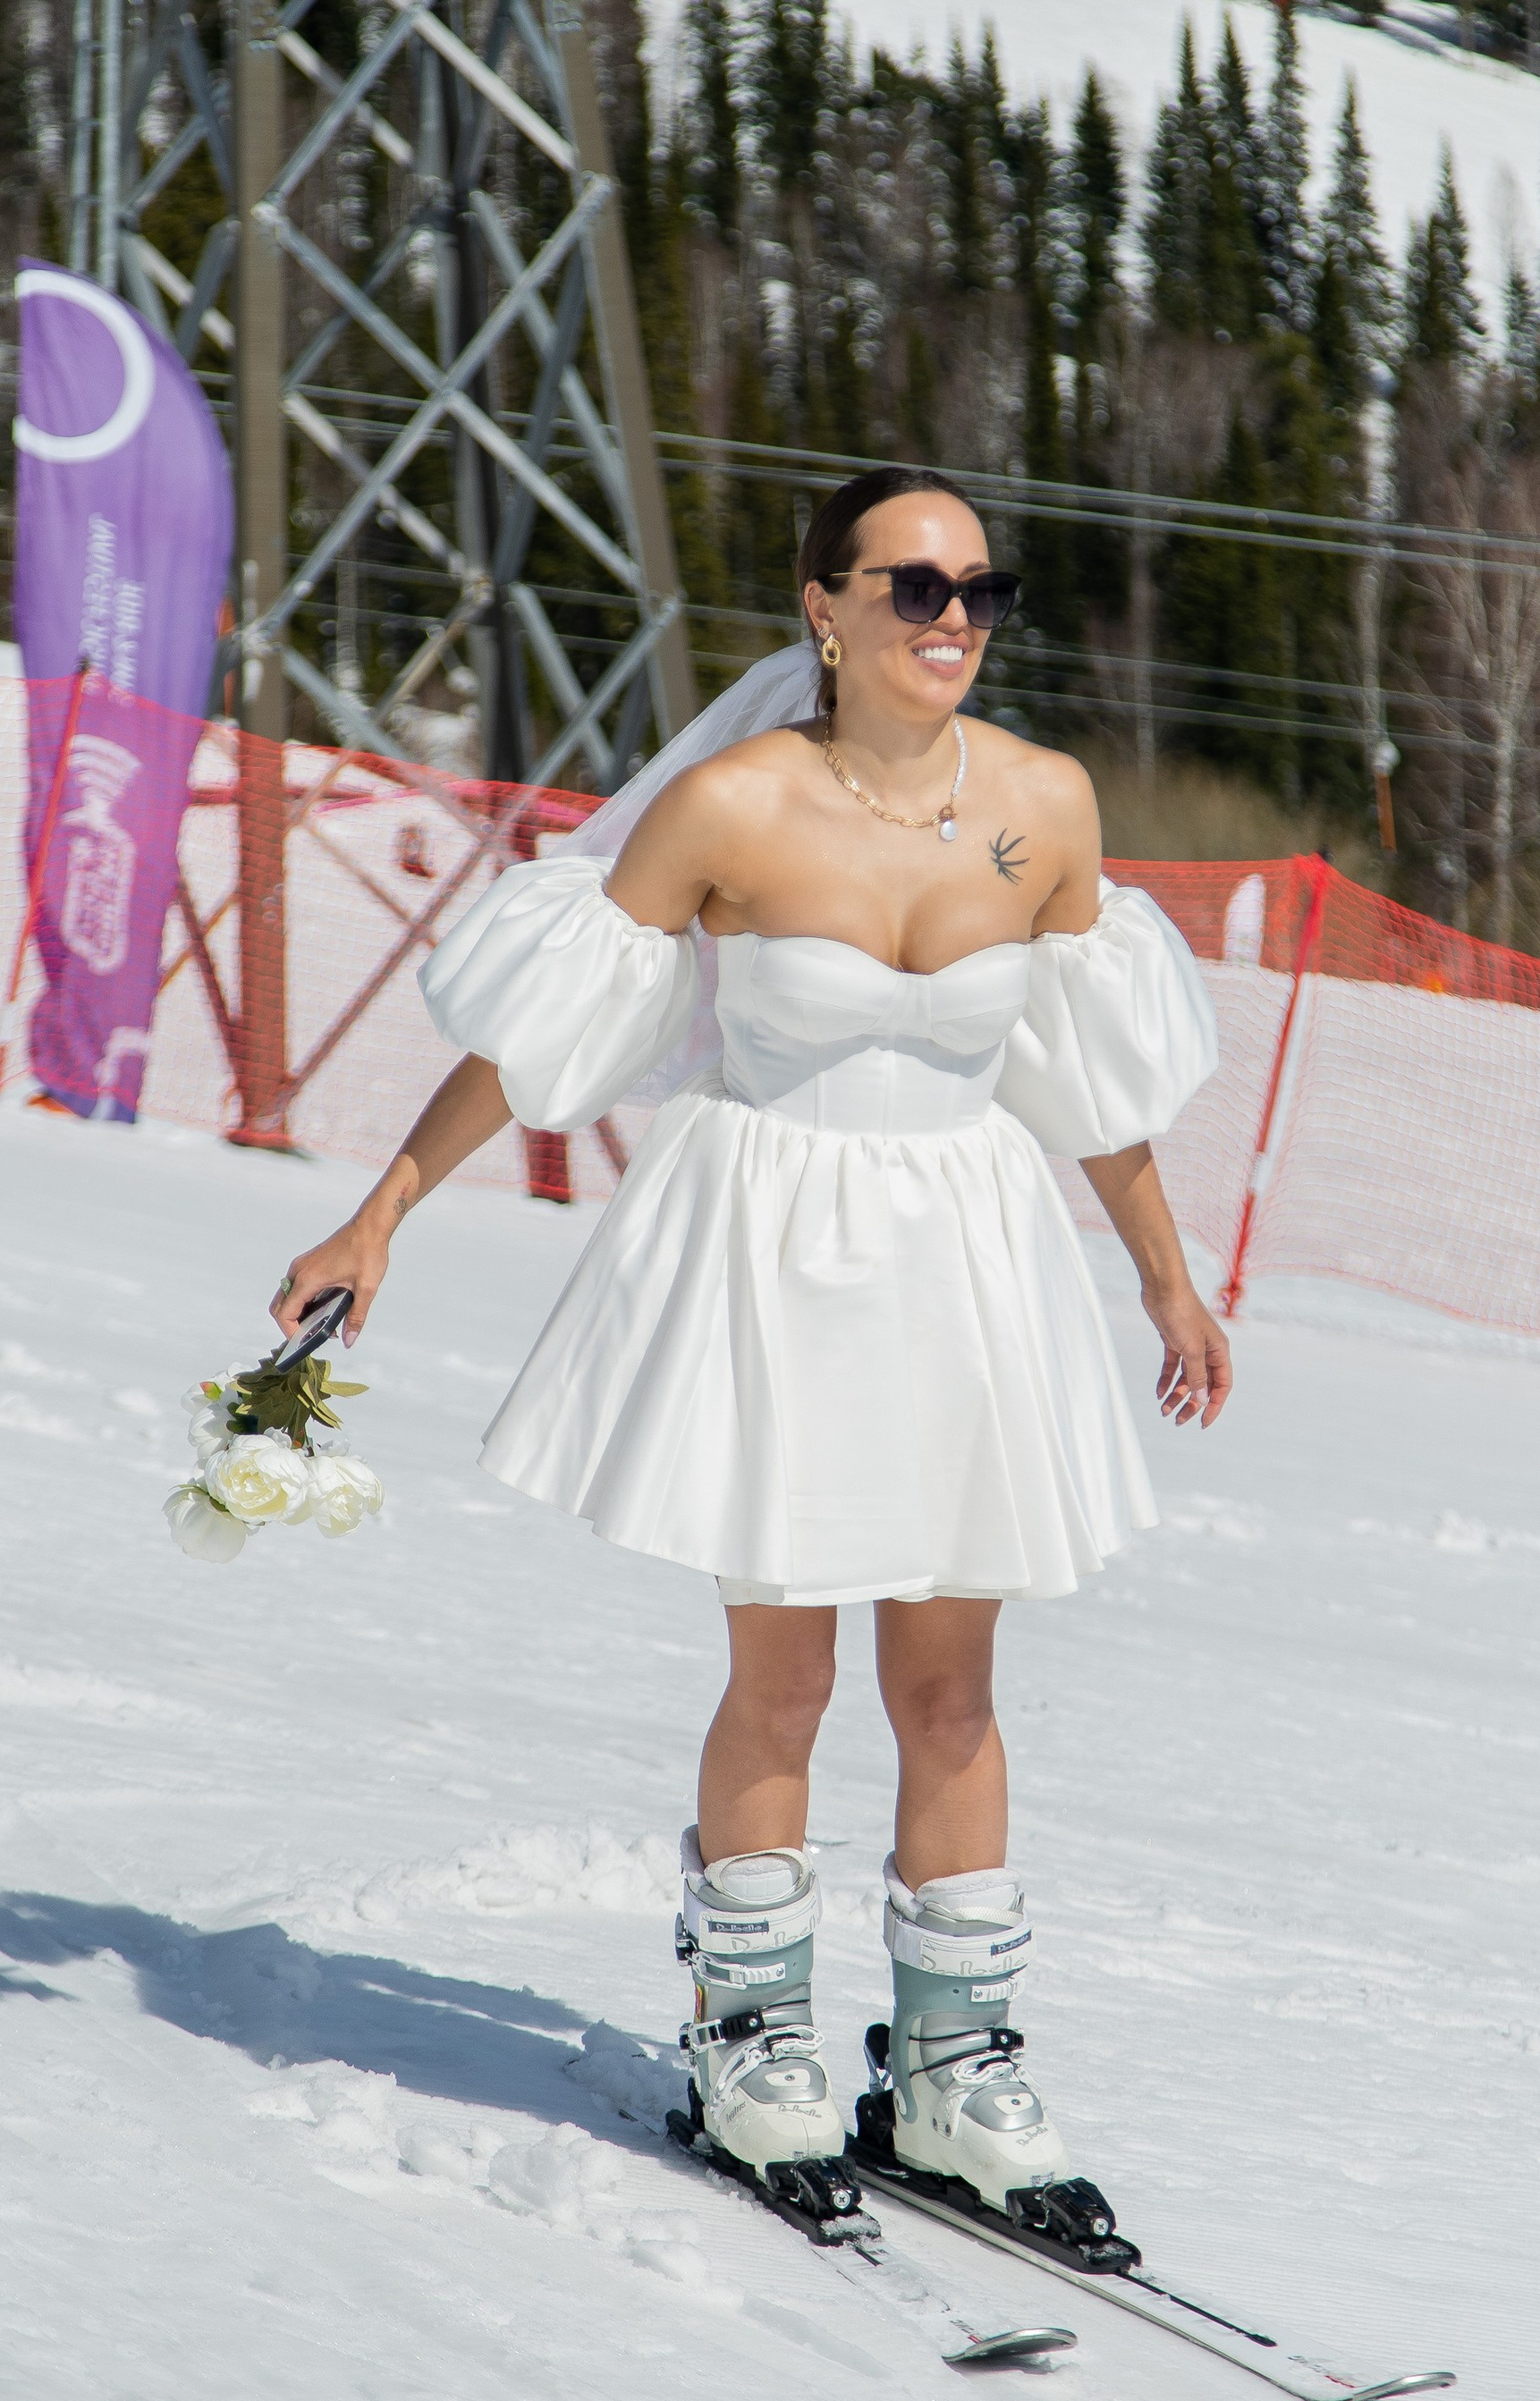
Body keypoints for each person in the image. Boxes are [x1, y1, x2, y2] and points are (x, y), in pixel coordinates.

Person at [273, 465, 1227, 2241]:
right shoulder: (728, 804)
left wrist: (1166, 1282)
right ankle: (753, 2041)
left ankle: (953, 2073)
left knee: (950, 1692)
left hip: (967, 1258)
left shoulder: (1043, 804)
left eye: (978, 592)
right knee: (782, 1681)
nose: (953, 621)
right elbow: (544, 1043)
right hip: (779, 1255)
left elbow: (1086, 1082)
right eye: (913, 588)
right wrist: (383, 1209)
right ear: (823, 605)